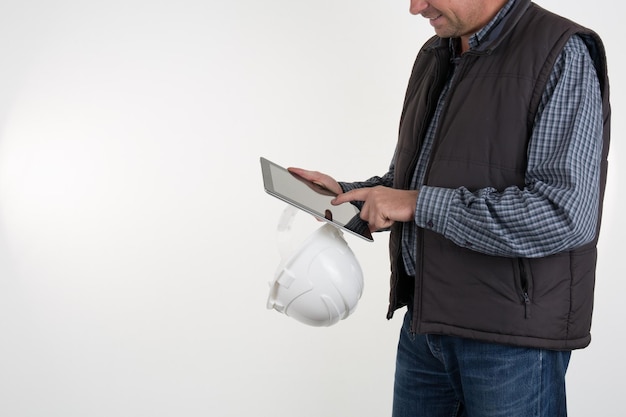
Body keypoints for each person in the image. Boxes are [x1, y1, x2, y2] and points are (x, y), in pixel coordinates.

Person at [289, 0, 611, 416]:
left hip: (510, 343)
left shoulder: (559, 50)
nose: (415, 7)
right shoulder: (436, 52)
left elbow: (565, 215)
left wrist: (419, 204)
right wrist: (346, 195)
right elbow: (412, 186)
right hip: (425, 327)